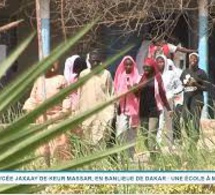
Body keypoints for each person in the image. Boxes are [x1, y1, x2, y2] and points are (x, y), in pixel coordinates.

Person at [23, 61, 71, 166]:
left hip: (57, 123)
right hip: (41, 124)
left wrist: (58, 115)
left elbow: (67, 99)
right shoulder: (39, 81)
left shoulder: (61, 79)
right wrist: (32, 112)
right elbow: (32, 99)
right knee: (41, 156)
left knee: (59, 155)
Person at [78, 49, 115, 149]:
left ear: (100, 61)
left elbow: (111, 92)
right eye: (92, 61)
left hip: (101, 114)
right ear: (89, 61)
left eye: (97, 61)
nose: (95, 63)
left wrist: (111, 110)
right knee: (86, 139)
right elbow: (79, 93)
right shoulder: (83, 75)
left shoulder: (106, 74)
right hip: (86, 112)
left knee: (100, 139)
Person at [138, 58, 173, 161]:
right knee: (144, 135)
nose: (145, 69)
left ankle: (154, 158)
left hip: (154, 110)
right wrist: (135, 88)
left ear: (152, 67)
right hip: (143, 110)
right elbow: (136, 94)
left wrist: (169, 108)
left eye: (147, 67)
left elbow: (162, 94)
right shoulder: (142, 78)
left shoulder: (157, 78)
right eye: (144, 67)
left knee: (151, 135)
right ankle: (156, 153)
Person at [114, 55, 141, 160]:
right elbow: (116, 90)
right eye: (126, 64)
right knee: (121, 131)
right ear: (123, 65)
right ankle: (121, 154)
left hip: (134, 110)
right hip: (122, 109)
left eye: (130, 64)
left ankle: (130, 155)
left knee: (132, 134)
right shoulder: (120, 76)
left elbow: (139, 94)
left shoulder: (137, 76)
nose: (128, 66)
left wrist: (133, 89)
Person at [180, 52, 208, 152]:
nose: (193, 60)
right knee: (185, 121)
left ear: (198, 60)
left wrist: (196, 83)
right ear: (188, 60)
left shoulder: (202, 73)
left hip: (197, 101)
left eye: (195, 58)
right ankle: (191, 139)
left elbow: (206, 88)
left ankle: (193, 146)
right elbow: (181, 86)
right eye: (191, 58)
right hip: (187, 100)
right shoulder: (184, 72)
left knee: (195, 122)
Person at [156, 55, 183, 151]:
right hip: (157, 102)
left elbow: (180, 86)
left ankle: (170, 146)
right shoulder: (154, 74)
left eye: (162, 61)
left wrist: (173, 93)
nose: (160, 64)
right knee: (159, 123)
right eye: (158, 62)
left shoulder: (171, 74)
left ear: (165, 62)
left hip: (169, 101)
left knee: (168, 123)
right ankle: (157, 145)